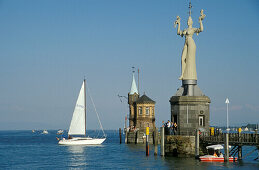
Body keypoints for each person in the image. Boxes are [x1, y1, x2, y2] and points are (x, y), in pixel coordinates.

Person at [174, 10, 205, 80]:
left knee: (190, 60)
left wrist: (200, 21)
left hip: (191, 43)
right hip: (186, 43)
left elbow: (201, 29)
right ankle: (182, 74)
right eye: (187, 20)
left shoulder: (193, 29)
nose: (188, 21)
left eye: (189, 20)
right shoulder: (185, 29)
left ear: (191, 22)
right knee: (182, 59)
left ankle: (190, 75)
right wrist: (179, 24)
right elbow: (179, 33)